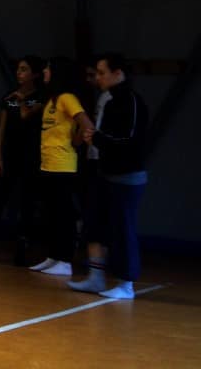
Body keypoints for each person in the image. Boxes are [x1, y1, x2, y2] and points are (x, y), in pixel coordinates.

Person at [69, 54, 149, 300]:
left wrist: (97, 138)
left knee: (122, 229)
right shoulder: (110, 100)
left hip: (125, 176)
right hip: (104, 172)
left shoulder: (132, 101)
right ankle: (95, 276)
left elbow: (127, 140)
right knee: (93, 225)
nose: (98, 77)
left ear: (118, 73)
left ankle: (126, 283)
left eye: (102, 73)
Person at [0, 56, 45, 264]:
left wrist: (22, 100)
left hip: (32, 154)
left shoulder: (41, 96)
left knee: (27, 200)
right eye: (18, 69)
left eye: (24, 69)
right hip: (10, 154)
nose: (19, 73)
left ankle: (23, 245)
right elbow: (2, 128)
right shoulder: (9, 96)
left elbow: (26, 115)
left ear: (35, 74)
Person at [29, 57, 93, 276]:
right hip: (48, 165)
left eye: (48, 69)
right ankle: (53, 256)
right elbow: (22, 108)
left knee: (64, 215)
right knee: (51, 215)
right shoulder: (50, 99)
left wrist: (76, 141)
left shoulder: (67, 98)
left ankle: (65, 260)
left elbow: (86, 123)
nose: (44, 72)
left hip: (63, 166)